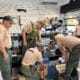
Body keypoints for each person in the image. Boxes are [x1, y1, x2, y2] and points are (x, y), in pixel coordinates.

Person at [0, 16, 13, 80]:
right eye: (10, 23)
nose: (11, 25)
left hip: (7, 51)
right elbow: (0, 41)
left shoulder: (5, 28)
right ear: (5, 21)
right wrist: (4, 53)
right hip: (3, 51)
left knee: (8, 68)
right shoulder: (1, 28)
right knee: (6, 70)